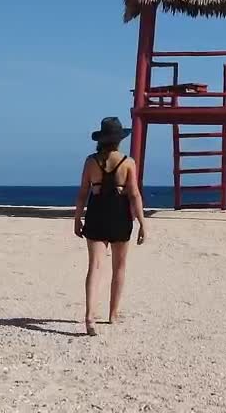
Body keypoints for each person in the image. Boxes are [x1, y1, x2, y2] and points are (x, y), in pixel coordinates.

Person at [72, 116, 148, 336]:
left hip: (96, 212)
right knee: (119, 267)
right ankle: (113, 314)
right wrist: (143, 223)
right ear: (118, 140)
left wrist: (77, 218)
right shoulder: (128, 162)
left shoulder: (90, 161)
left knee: (94, 266)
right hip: (119, 214)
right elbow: (134, 195)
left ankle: (89, 316)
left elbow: (82, 194)